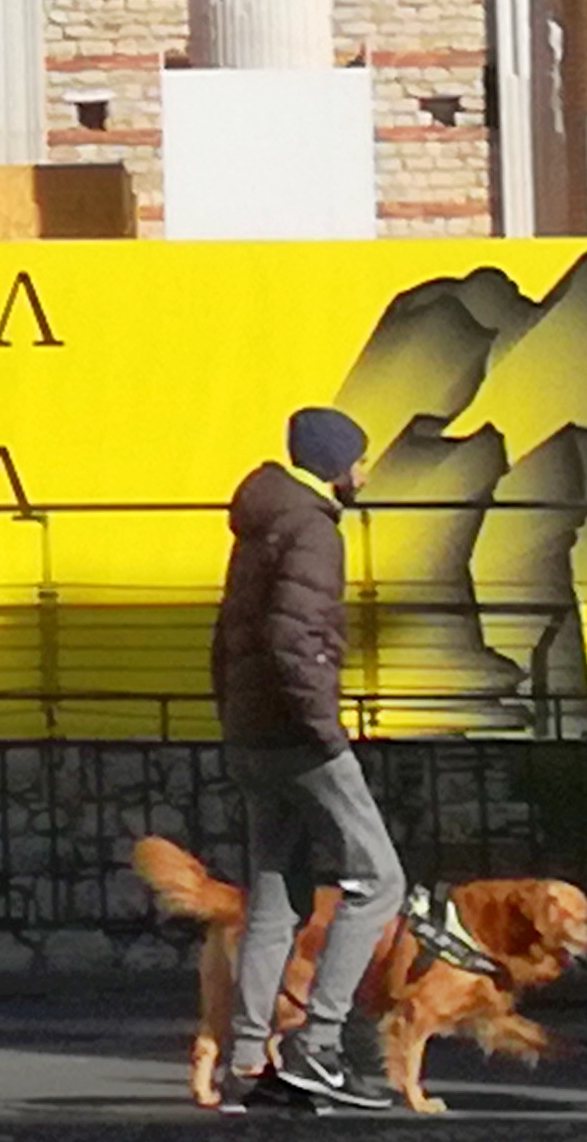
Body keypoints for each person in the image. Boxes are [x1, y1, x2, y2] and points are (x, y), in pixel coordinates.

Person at [212, 404, 405, 1112]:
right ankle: (318, 1045)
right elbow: (297, 639)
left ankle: (245, 1061)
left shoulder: (261, 521)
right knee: (378, 880)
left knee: (276, 894)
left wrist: (235, 717)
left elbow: (228, 634)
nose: (364, 473)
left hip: (253, 732)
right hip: (299, 737)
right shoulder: (312, 528)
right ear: (333, 464)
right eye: (359, 460)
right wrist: (324, 729)